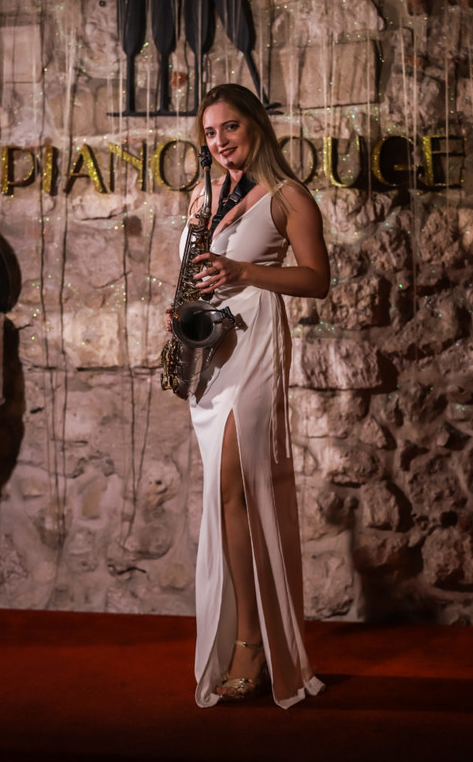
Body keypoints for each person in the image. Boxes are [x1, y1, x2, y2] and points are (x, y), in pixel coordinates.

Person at [168, 83, 330, 708]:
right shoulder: (201, 196)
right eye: (210, 133)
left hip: (256, 342)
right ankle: (246, 634)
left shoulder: (289, 196)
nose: (220, 141)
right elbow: (192, 271)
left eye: (230, 127)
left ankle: (252, 644)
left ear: (257, 126)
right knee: (224, 495)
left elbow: (316, 279)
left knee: (236, 488)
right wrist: (181, 310)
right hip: (211, 348)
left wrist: (243, 271)